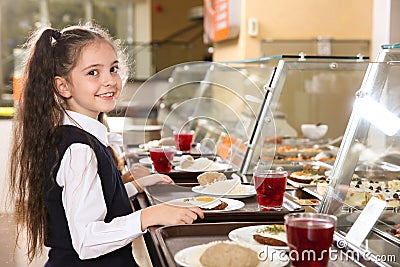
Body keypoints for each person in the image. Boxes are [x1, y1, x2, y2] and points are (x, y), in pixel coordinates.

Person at [8, 23, 204, 267]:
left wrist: (135, 187)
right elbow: (87, 241)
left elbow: (98, 199)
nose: (110, 80)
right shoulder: (80, 150)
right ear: (63, 86)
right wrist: (148, 215)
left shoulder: (75, 136)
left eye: (113, 69)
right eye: (93, 73)